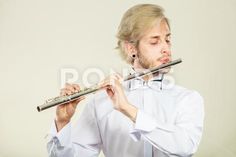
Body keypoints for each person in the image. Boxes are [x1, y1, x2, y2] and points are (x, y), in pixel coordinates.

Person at [47, 4, 204, 157]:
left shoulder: (188, 99)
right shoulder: (100, 102)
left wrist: (128, 110)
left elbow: (185, 146)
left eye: (167, 40)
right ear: (131, 48)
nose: (166, 49)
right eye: (155, 41)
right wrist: (62, 123)